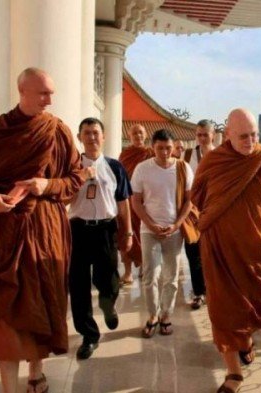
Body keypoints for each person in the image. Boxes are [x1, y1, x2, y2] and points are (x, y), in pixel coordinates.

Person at [0, 68, 84, 393]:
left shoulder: (58, 131)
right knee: (6, 312)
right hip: (7, 235)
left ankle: (36, 372)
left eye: (51, 93)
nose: (49, 100)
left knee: (42, 303)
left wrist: (47, 185)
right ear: (23, 92)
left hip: (46, 231)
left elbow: (75, 178)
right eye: (43, 93)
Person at [191, 108, 261, 393]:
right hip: (220, 248)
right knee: (222, 309)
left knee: (258, 306)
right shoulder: (214, 161)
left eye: (254, 134)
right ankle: (234, 373)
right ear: (227, 135)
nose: (250, 141)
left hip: (256, 248)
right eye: (243, 136)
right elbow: (198, 196)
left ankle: (246, 339)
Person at [68, 117, 132, 360]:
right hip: (78, 230)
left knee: (109, 280)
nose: (92, 137)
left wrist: (127, 233)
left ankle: (108, 305)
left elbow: (123, 204)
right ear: (79, 137)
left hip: (106, 230)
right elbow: (62, 200)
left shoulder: (115, 167)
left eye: (96, 132)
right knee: (78, 285)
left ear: (103, 137)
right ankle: (89, 335)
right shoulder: (72, 168)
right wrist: (81, 179)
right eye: (87, 133)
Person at [131, 129, 193, 338]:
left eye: (168, 148)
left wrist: (177, 225)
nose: (165, 152)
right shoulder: (142, 169)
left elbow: (189, 200)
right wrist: (150, 223)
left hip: (174, 231)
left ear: (173, 146)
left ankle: (166, 314)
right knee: (150, 276)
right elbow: (136, 201)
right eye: (160, 148)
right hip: (149, 230)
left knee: (172, 276)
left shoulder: (183, 168)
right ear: (152, 147)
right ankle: (152, 316)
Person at [182, 119, 216, 310]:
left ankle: (214, 290)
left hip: (215, 210)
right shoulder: (188, 155)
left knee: (213, 253)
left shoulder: (221, 155)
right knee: (193, 252)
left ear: (213, 135)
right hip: (192, 211)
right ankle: (199, 292)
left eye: (206, 134)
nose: (202, 138)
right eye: (199, 135)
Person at [118, 124, 154, 284]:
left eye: (140, 132)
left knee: (145, 236)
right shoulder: (125, 155)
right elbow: (119, 177)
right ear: (129, 136)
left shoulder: (151, 153)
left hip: (146, 202)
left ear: (145, 135)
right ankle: (127, 272)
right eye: (134, 133)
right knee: (125, 234)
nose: (138, 136)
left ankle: (143, 268)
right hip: (127, 200)